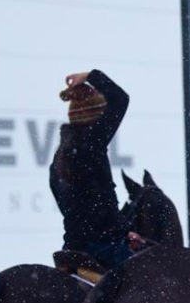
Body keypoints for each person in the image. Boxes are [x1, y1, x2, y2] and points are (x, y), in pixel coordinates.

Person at [50, 69, 136, 268]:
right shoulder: (93, 144)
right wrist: (89, 76)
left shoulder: (57, 161)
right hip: (104, 250)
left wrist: (124, 230)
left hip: (71, 248)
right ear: (97, 119)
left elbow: (80, 211)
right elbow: (120, 99)